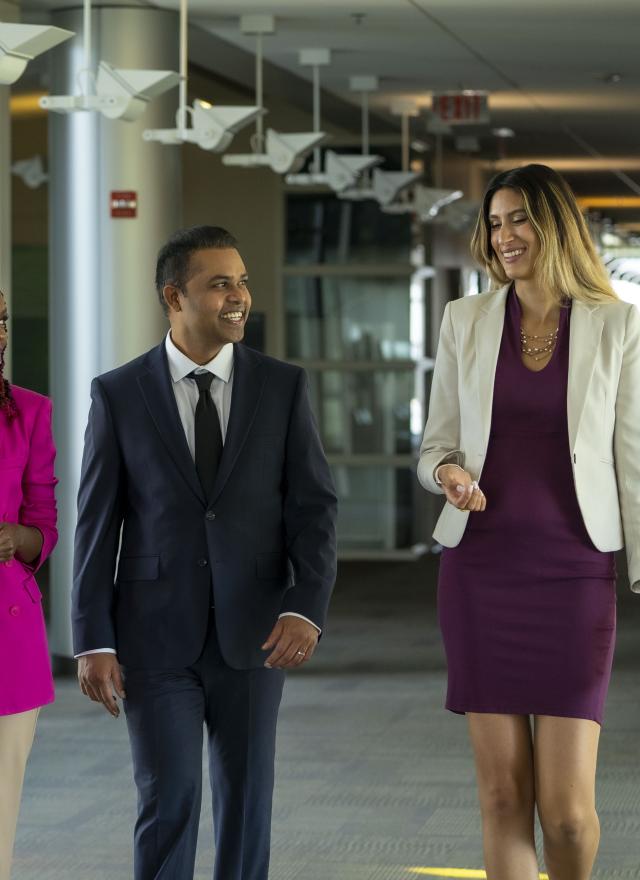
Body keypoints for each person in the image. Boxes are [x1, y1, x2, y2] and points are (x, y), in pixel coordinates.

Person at [72, 225, 337, 880]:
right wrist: (92, 639)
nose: (239, 296)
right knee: (168, 798)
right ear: (174, 296)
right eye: (220, 284)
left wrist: (305, 606)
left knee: (248, 800)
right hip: (153, 634)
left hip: (257, 631)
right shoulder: (119, 393)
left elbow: (313, 508)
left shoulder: (282, 386)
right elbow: (96, 524)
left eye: (242, 282)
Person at [417, 164, 640, 880]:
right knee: (503, 795)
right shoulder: (466, 320)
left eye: (519, 219)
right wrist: (447, 475)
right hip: (480, 569)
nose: (504, 235)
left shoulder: (617, 324)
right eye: (495, 222)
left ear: (556, 227)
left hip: (574, 572)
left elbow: (634, 458)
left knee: (567, 812)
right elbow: (436, 446)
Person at [0, 290, 58, 880]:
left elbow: (44, 520)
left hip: (6, 633)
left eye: (2, 320)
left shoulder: (31, 411)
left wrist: (19, 537)